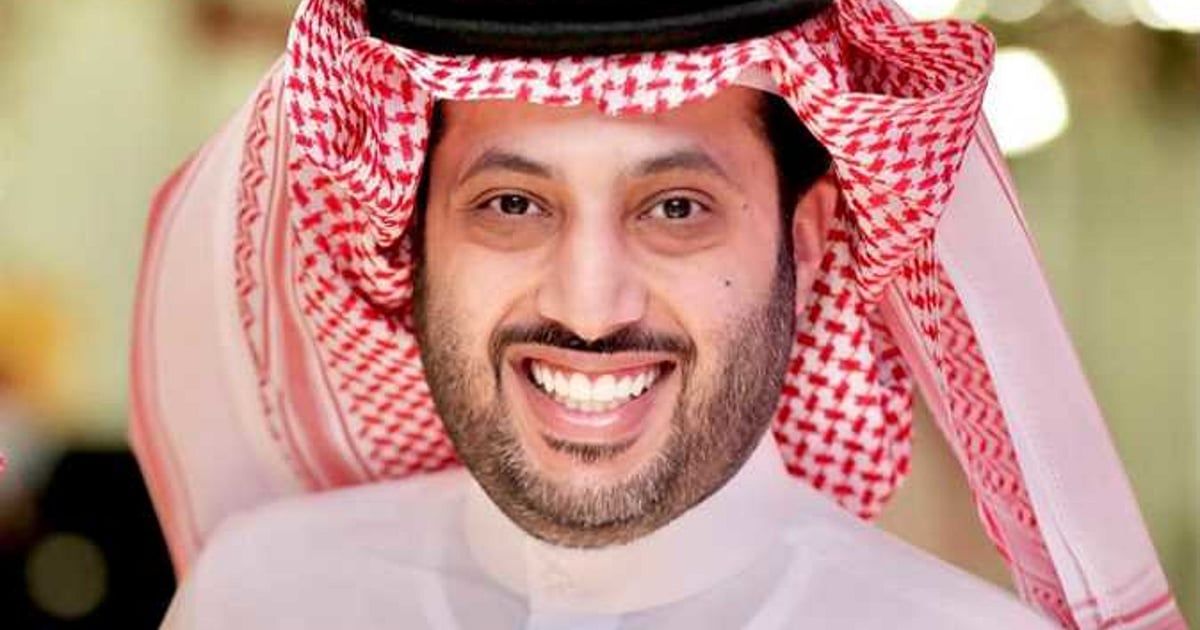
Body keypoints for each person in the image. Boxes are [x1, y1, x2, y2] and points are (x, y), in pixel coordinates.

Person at [130, 0, 1184, 627]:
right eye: (511, 204)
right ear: (408, 240)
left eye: (676, 207)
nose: (591, 307)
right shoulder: (260, 599)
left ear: (808, 239)